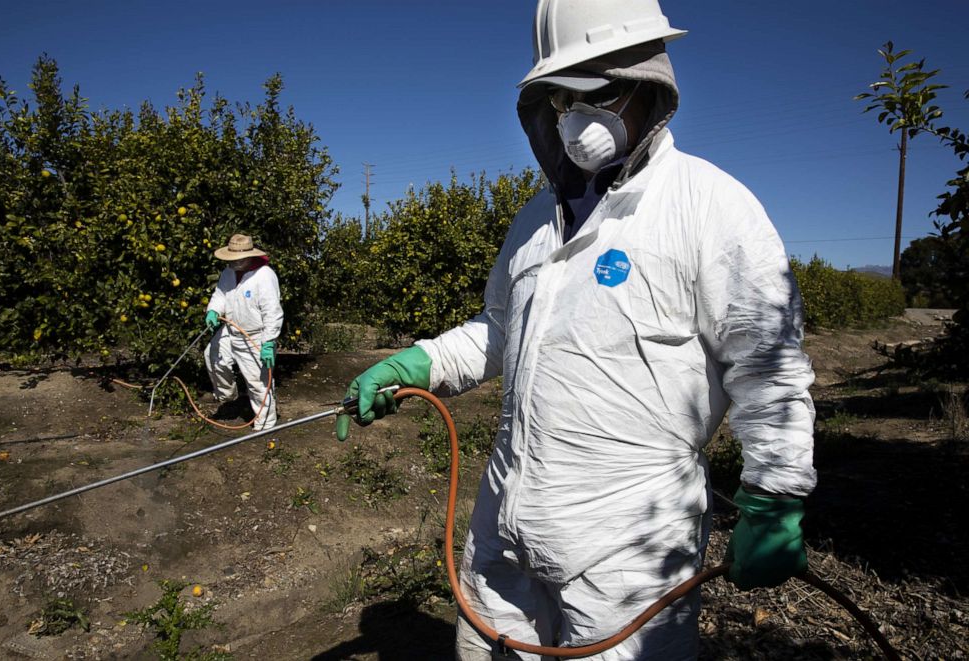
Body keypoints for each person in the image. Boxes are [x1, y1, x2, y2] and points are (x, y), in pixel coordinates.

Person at [337, 1, 816, 658]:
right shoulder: (535, 220)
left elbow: (767, 363)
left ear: (647, 84)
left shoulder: (711, 207)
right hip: (502, 529)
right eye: (560, 99)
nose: (573, 118)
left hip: (628, 555)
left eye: (594, 94)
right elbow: (498, 331)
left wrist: (775, 492)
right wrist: (417, 364)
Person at [204, 233, 283, 431]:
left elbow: (272, 311)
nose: (235, 263)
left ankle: (265, 423)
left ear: (249, 256)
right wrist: (213, 311)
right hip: (230, 329)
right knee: (213, 356)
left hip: (257, 335)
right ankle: (228, 396)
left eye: (238, 259)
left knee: (259, 383)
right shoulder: (228, 273)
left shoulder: (264, 275)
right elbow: (220, 295)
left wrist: (269, 342)